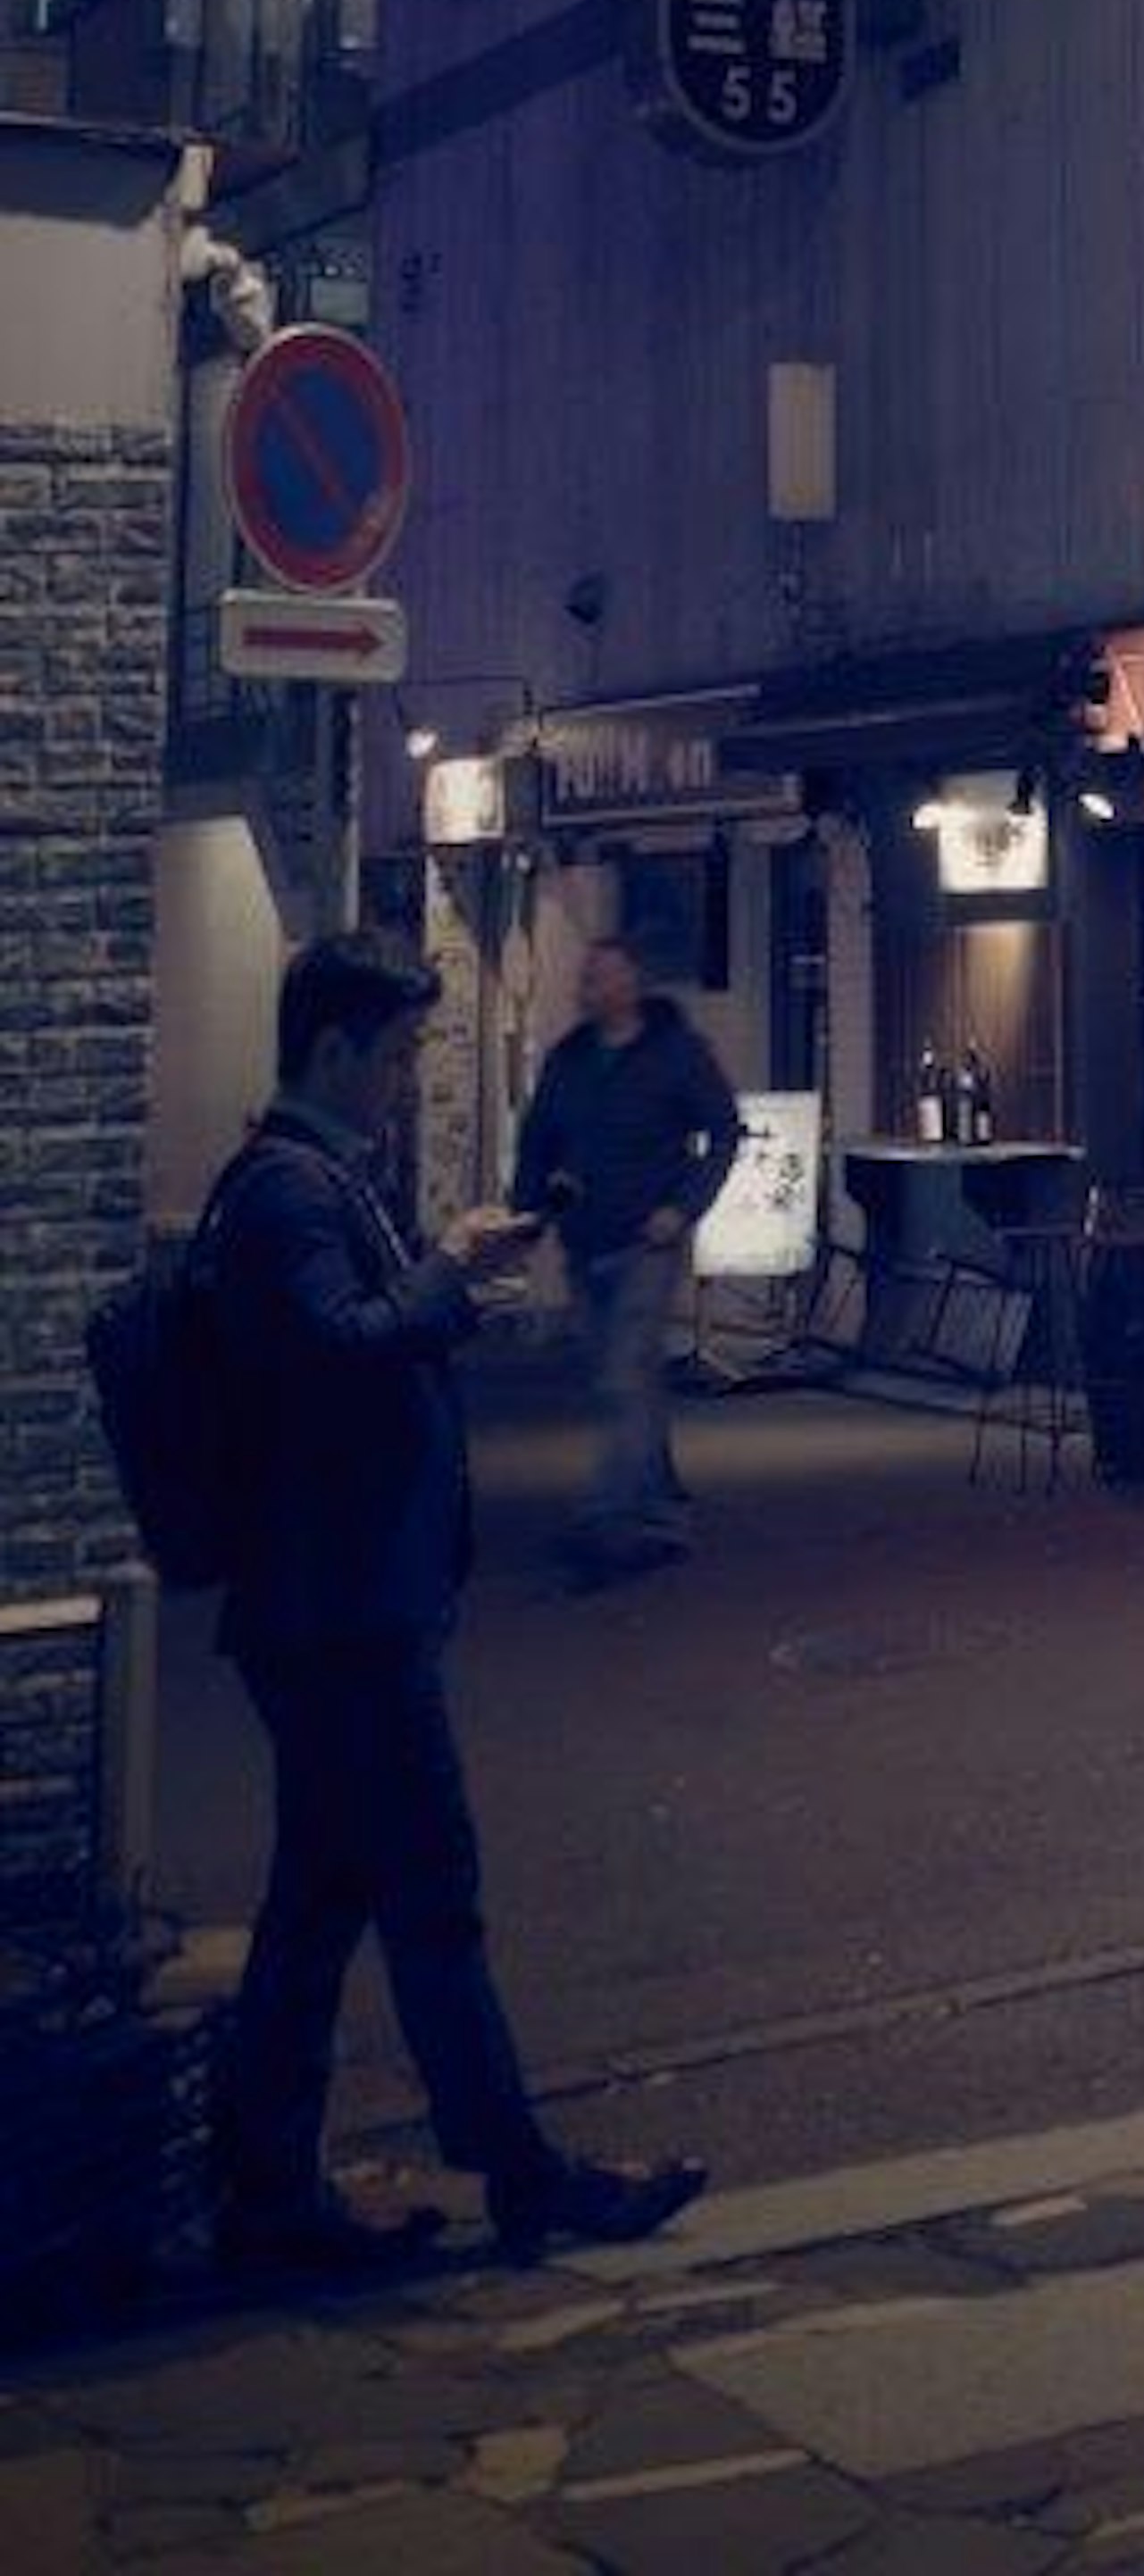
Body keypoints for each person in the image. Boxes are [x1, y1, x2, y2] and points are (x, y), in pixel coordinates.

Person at [210, 931, 706, 2283]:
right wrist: (439, 1278)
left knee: (322, 1899)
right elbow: (340, 1354)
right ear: (334, 1052)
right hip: (344, 1612)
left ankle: (266, 2189)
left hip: (336, 1601)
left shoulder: (302, 1186)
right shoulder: (288, 1196)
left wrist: (440, 1268)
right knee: (431, 1897)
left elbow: (357, 1341)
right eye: (398, 1052)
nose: (406, 1078)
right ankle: (524, 2176)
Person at [514, 929, 743, 1580]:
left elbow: (723, 1130)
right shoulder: (570, 1060)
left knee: (620, 1378)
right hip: (586, 1240)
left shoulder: (675, 1054)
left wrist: (683, 1206)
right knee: (630, 1378)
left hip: (649, 1241)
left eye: (606, 975)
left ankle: (611, 1519)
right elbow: (539, 1140)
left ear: (634, 983)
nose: (592, 987)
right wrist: (530, 1209)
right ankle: (662, 1504)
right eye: (589, 976)